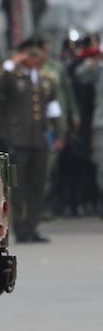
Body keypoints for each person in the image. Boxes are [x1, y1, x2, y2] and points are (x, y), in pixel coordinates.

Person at [0, 38, 63, 243]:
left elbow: (53, 109)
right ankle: (21, 227)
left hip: (40, 140)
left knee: (37, 184)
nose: (35, 60)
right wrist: (9, 64)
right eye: (30, 56)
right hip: (20, 140)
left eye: (37, 57)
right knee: (19, 186)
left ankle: (32, 225)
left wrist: (59, 134)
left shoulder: (45, 80)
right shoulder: (12, 77)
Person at [74, 45, 103, 217]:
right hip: (101, 124)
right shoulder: (100, 67)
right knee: (101, 165)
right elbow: (81, 74)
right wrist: (93, 60)